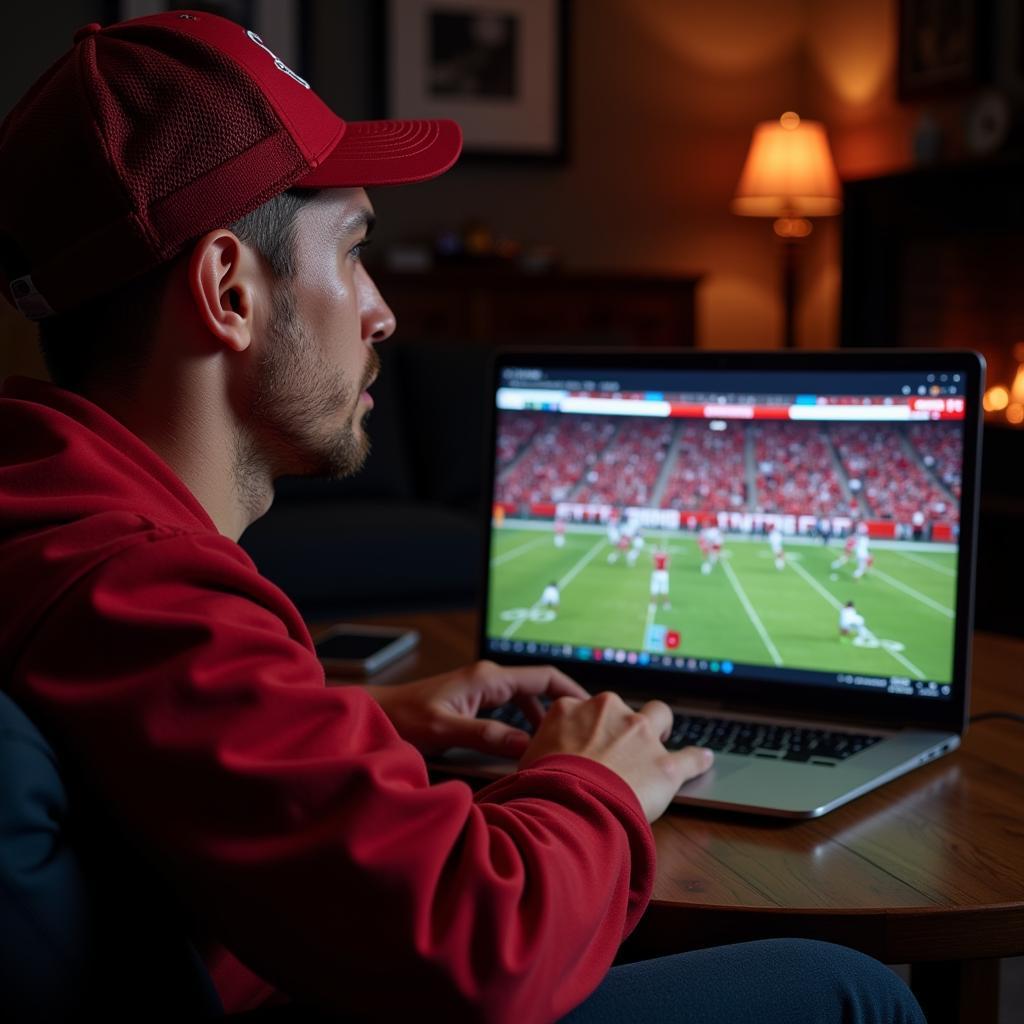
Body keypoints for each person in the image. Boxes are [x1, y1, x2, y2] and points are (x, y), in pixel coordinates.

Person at [0, 11, 925, 1024]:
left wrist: (361, 723)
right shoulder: (143, 587)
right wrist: (589, 779)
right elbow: (485, 946)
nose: (382, 309)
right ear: (229, 289)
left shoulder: (49, 505)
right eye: (352, 250)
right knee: (847, 990)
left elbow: (151, 757)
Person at [649, 547, 671, 611]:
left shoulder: (655, 555)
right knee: (664, 589)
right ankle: (666, 604)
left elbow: (654, 564)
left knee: (654, 589)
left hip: (657, 572)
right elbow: (668, 563)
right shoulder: (665, 555)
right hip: (664, 573)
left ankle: (653, 604)